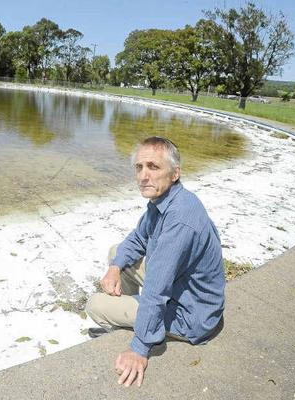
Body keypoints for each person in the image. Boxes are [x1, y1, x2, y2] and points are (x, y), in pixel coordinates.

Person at [85, 136, 225, 388]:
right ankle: (129, 320)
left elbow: (156, 290)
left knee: (95, 305)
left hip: (191, 315)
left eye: (153, 167)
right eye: (139, 167)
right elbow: (138, 238)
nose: (143, 176)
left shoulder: (179, 219)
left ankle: (133, 329)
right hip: (184, 292)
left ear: (175, 174)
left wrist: (139, 349)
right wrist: (115, 268)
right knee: (117, 253)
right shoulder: (164, 200)